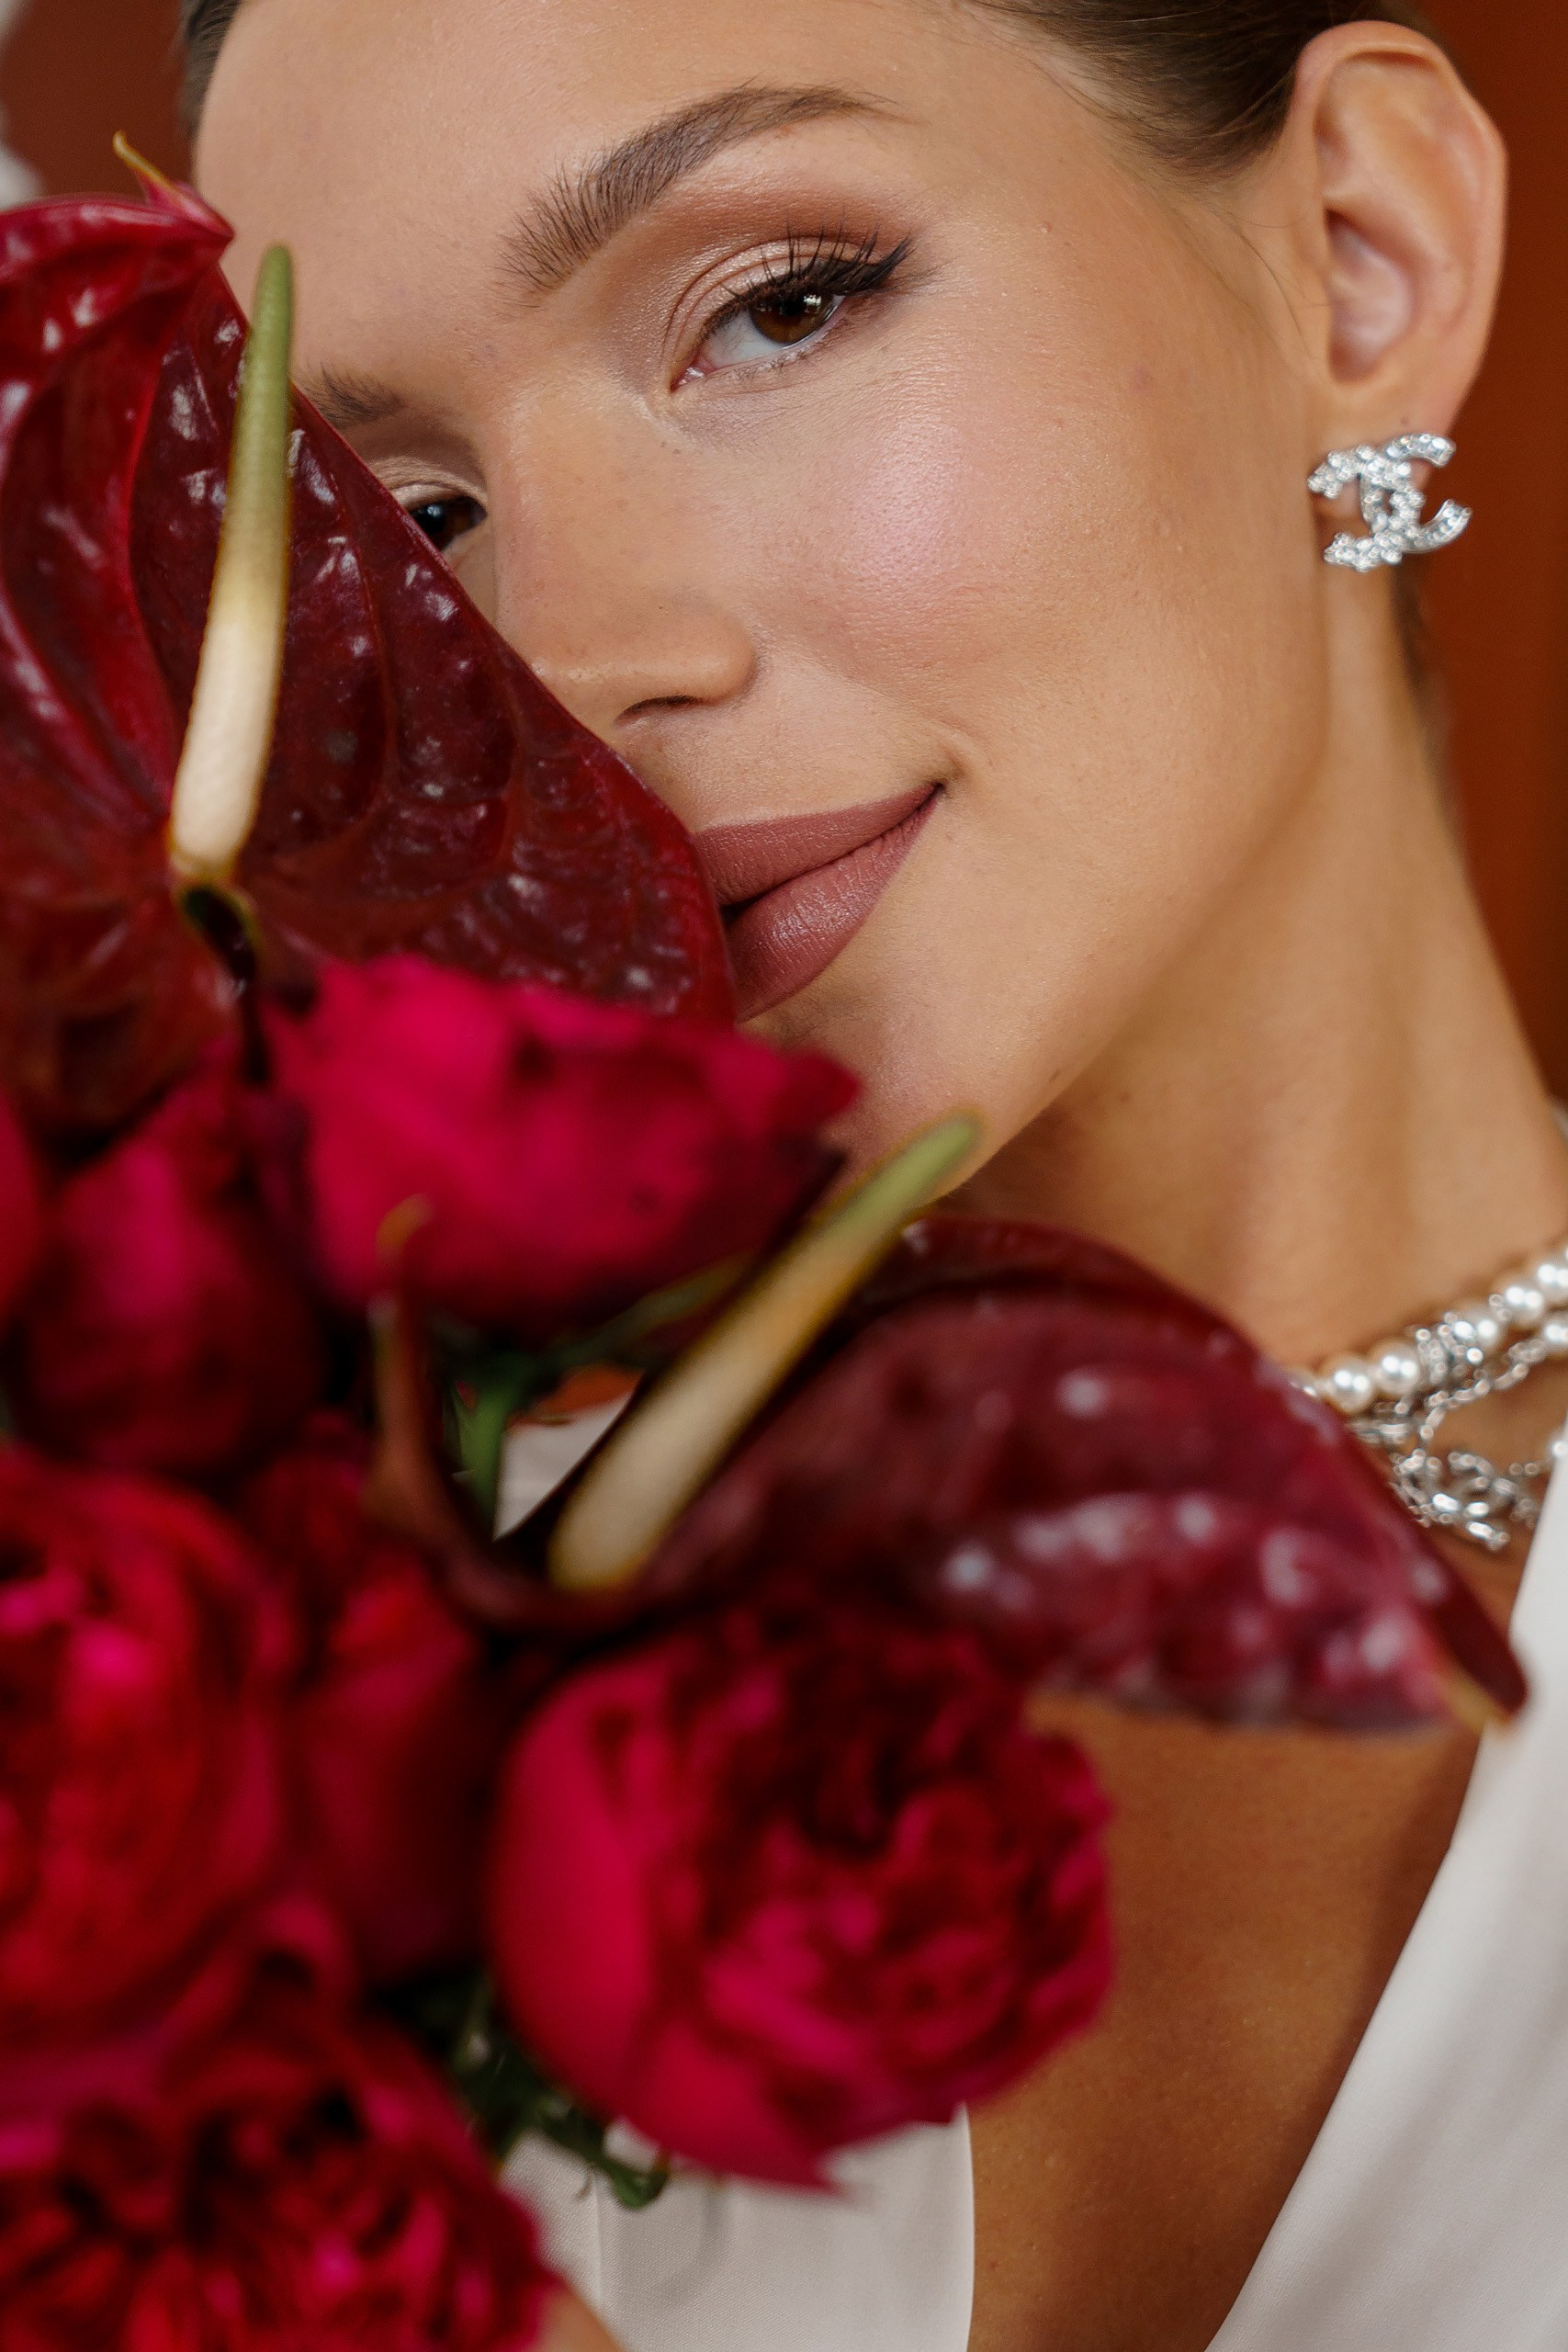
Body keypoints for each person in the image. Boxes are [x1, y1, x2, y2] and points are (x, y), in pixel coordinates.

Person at [180, 4, 1568, 2346]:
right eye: (415, 522)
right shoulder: (260, 1683)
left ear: (1358, 250)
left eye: (776, 307)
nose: (567, 665)